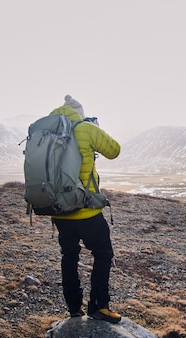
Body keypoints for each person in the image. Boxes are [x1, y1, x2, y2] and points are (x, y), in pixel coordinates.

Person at [50, 95, 122, 323]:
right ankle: (99, 306)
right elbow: (114, 150)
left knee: (68, 256)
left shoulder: (48, 132)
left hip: (59, 211)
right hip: (86, 209)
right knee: (102, 253)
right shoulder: (85, 128)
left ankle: (73, 308)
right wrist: (93, 128)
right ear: (79, 113)